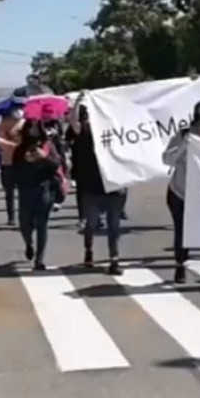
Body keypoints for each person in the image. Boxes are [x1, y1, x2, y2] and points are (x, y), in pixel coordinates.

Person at [162, 100, 200, 294]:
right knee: (182, 233)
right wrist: (184, 145)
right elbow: (166, 159)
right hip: (180, 192)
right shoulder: (182, 135)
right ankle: (180, 265)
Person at [67, 100, 125, 275]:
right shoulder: (83, 134)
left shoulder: (114, 134)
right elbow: (71, 119)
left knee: (114, 227)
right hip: (91, 189)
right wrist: (78, 100)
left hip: (113, 187)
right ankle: (89, 251)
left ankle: (114, 260)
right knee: (91, 225)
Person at [12, 120, 62, 271]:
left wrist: (44, 158)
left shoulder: (47, 146)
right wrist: (25, 162)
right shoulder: (20, 149)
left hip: (43, 190)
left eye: (36, 127)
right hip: (25, 191)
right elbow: (14, 171)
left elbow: (56, 165)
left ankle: (39, 259)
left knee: (42, 225)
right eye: (30, 127)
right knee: (25, 223)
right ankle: (29, 243)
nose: (33, 131)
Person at [0, 103, 25, 226]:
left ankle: (25, 215)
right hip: (8, 162)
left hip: (24, 162)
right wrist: (15, 146)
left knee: (25, 191)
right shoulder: (3, 124)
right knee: (9, 192)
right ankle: (11, 217)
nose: (18, 112)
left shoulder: (26, 123)